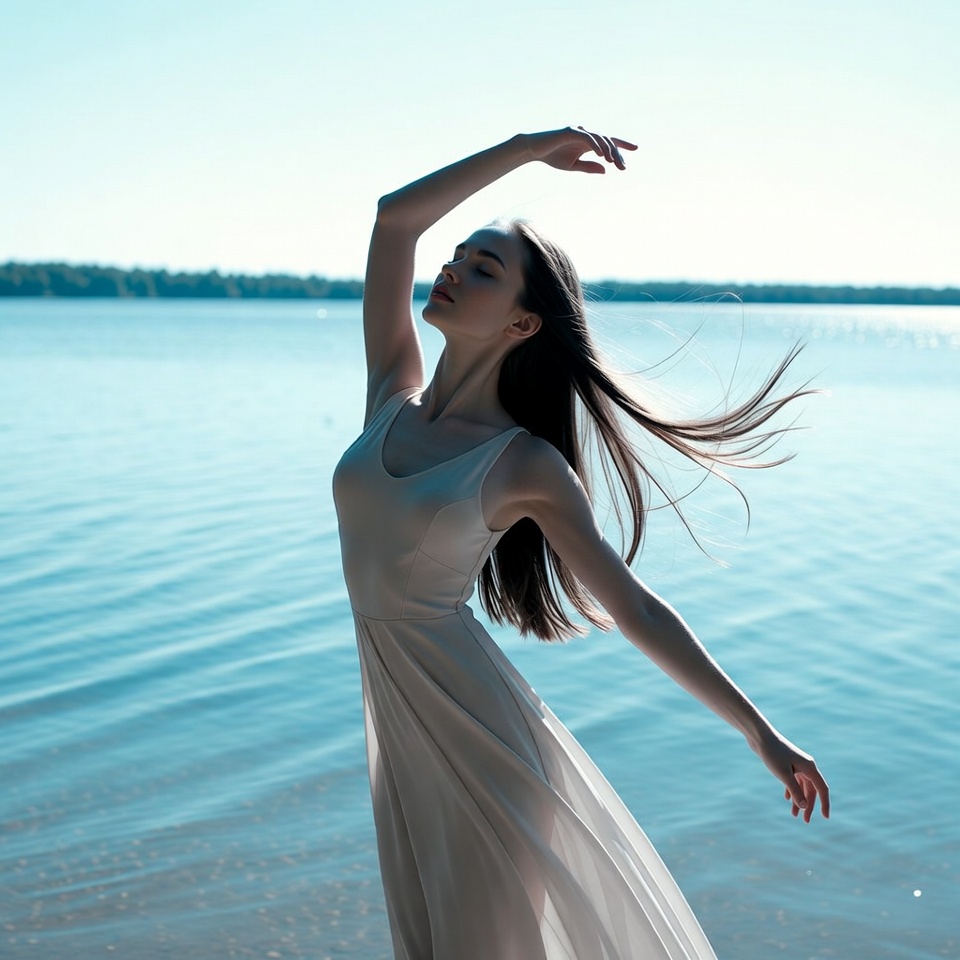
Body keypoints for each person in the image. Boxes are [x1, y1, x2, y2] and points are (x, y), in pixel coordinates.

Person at [332, 127, 830, 960]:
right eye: (458, 255)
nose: (451, 267)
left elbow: (632, 606)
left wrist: (759, 733)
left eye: (482, 267)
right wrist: (527, 148)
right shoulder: (393, 391)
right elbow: (393, 223)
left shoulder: (522, 463)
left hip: (481, 742)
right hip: (403, 732)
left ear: (525, 323)